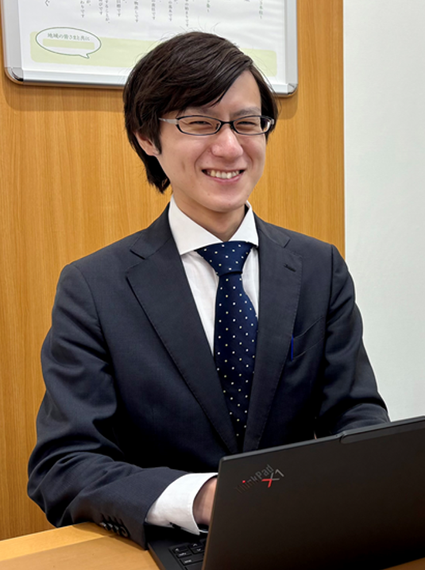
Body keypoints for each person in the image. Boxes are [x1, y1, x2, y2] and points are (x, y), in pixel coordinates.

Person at [27, 32, 389, 548]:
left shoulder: (318, 266)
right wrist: (204, 498)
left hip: (304, 535)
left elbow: (356, 413)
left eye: (246, 122)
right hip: (172, 545)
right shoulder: (94, 287)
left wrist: (382, 472)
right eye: (199, 123)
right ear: (147, 137)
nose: (230, 147)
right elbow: (64, 464)